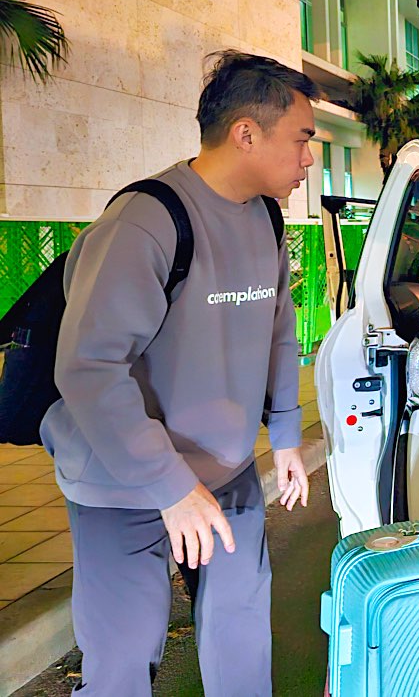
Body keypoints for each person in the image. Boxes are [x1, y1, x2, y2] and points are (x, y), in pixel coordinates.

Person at [44, 51, 318, 696]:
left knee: (241, 636)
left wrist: (283, 436)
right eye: (303, 140)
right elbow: (88, 369)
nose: (309, 159)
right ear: (247, 133)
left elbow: (279, 328)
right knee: (123, 663)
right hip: (124, 483)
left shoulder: (266, 216)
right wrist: (169, 486)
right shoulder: (146, 221)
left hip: (223, 471)